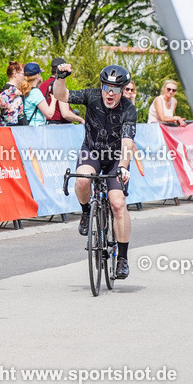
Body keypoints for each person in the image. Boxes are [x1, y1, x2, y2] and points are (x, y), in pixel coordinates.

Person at [53, 63, 136, 279]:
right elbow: (62, 96)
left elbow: (127, 142)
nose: (110, 93)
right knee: (82, 180)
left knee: (118, 204)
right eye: (106, 87)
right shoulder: (91, 96)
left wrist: (124, 167)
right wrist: (60, 78)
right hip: (92, 151)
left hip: (116, 157)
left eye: (116, 89)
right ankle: (86, 212)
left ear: (122, 90)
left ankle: (123, 258)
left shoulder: (128, 108)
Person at [40, 57, 84, 125]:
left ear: (51, 69)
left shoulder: (42, 85)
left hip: (45, 125)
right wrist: (81, 119)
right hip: (59, 127)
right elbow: (65, 114)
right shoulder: (60, 87)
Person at [18, 62, 56, 126]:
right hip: (36, 129)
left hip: (27, 126)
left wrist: (38, 85)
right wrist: (54, 100)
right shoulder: (35, 93)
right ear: (37, 75)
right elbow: (49, 114)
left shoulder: (23, 89)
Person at [0, 60, 24, 126]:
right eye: (22, 74)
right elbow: (18, 114)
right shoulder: (12, 91)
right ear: (15, 74)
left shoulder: (7, 89)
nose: (24, 76)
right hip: (15, 128)